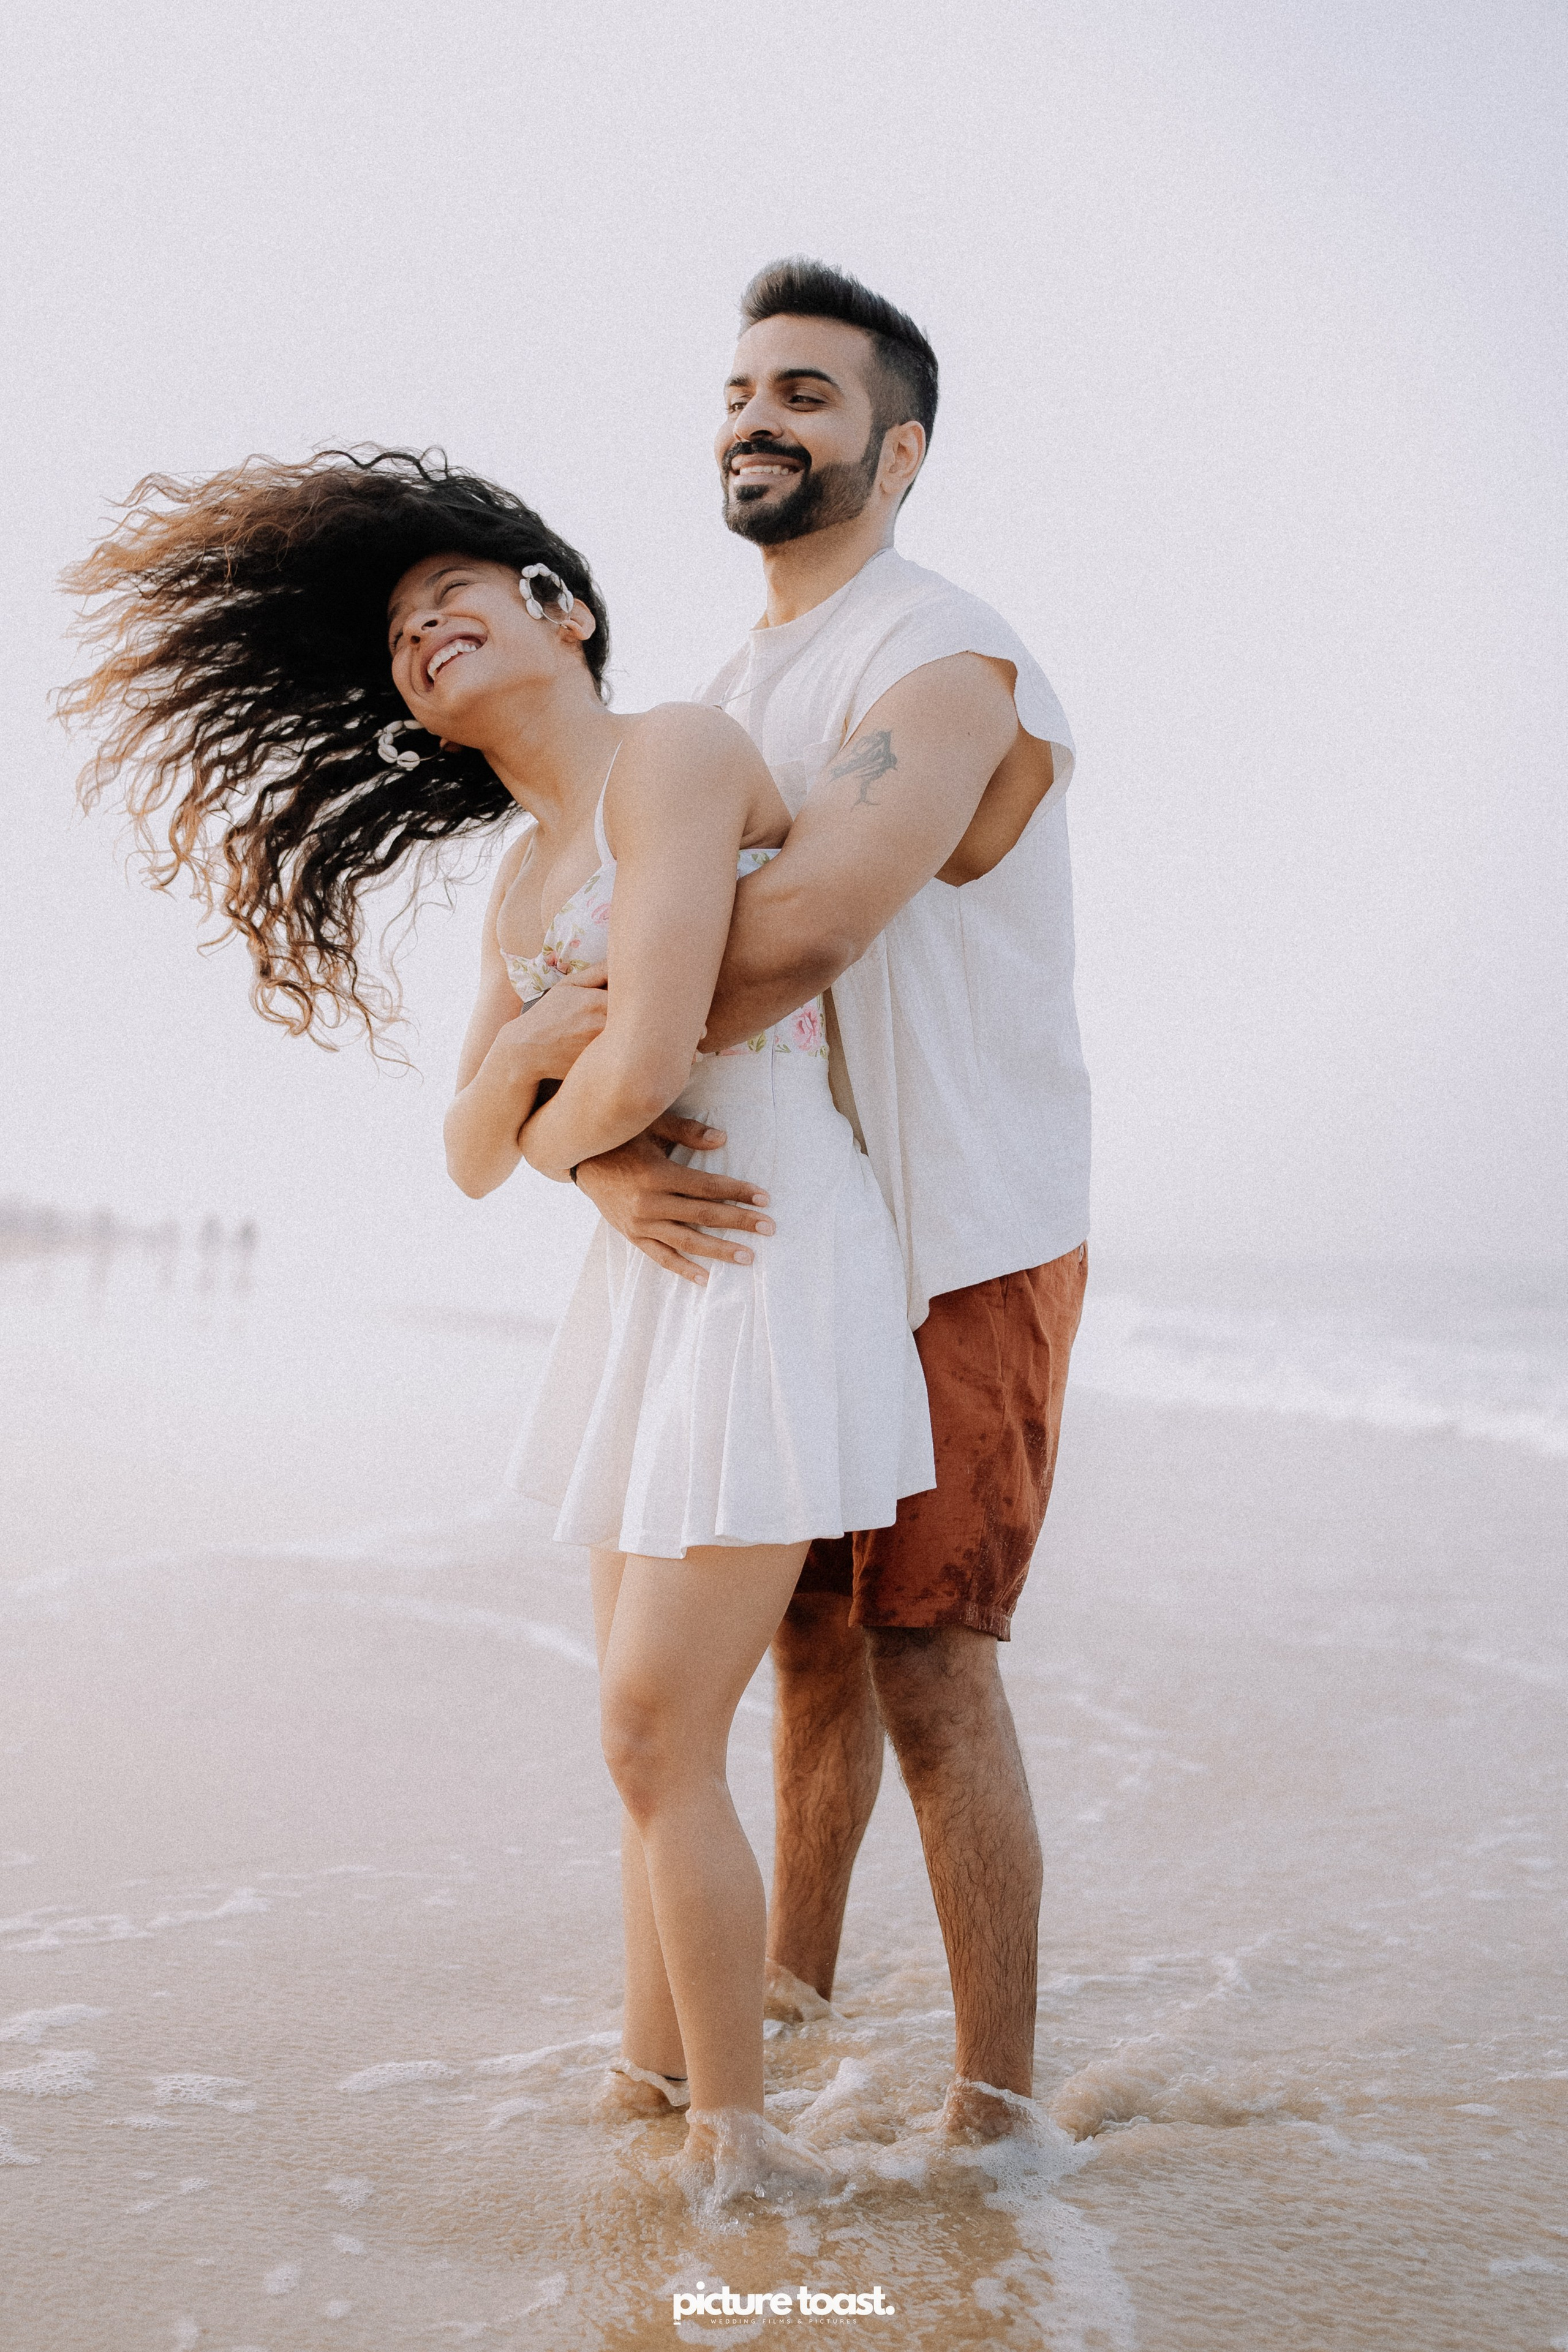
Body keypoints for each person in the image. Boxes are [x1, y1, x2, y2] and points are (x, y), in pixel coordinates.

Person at [59, 448, 933, 2198]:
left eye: (464, 591)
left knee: (645, 1726)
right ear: (418, 717)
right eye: (399, 632)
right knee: (649, 1738)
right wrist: (560, 1114)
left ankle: (736, 2144)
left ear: (569, 616)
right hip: (653, 1264)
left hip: (762, 1246)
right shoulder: (526, 886)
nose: (428, 626)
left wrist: (553, 1102)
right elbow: (468, 1152)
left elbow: (662, 1047)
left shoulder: (675, 752)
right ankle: (646, 2078)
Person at [570, 260, 1091, 2141]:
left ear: (901, 445)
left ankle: (996, 2123)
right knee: (797, 1650)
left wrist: (576, 1045)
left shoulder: (946, 656)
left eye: (804, 392)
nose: (756, 419)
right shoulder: (719, 693)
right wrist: (600, 1139)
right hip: (793, 1235)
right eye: (738, 391)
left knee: (929, 1660)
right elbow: (619, 938)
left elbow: (801, 929)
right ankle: (781, 1996)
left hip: (964, 1221)